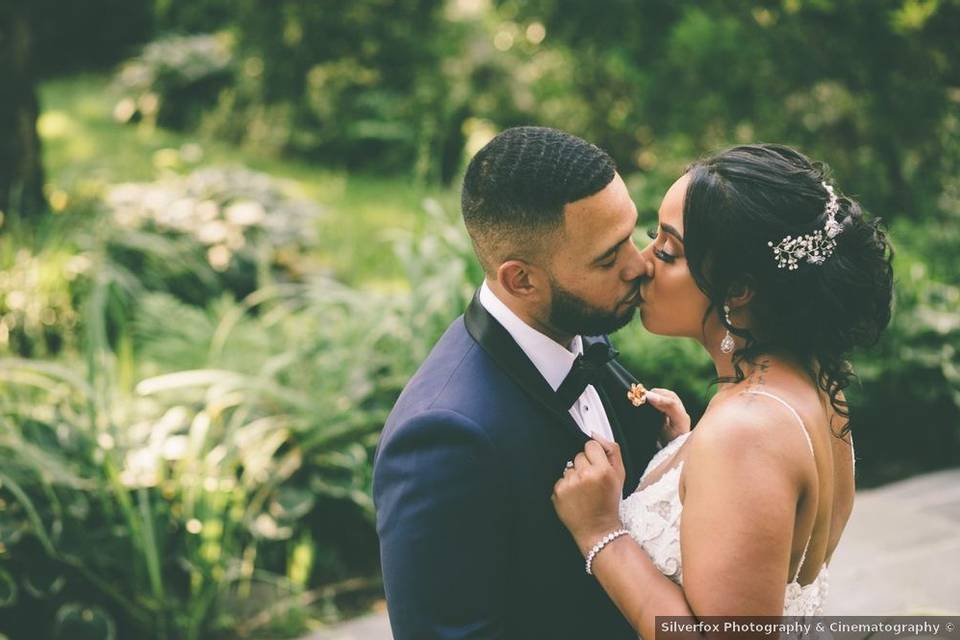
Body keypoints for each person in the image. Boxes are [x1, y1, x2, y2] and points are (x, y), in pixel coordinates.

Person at [552, 144, 895, 635]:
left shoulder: (743, 432)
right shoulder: (819, 385)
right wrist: (685, 457)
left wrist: (602, 534)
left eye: (667, 251)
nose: (643, 263)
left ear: (737, 290)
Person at [373, 126, 684, 639]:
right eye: (607, 257)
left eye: (632, 232)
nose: (638, 264)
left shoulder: (581, 339)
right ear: (520, 279)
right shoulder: (440, 439)